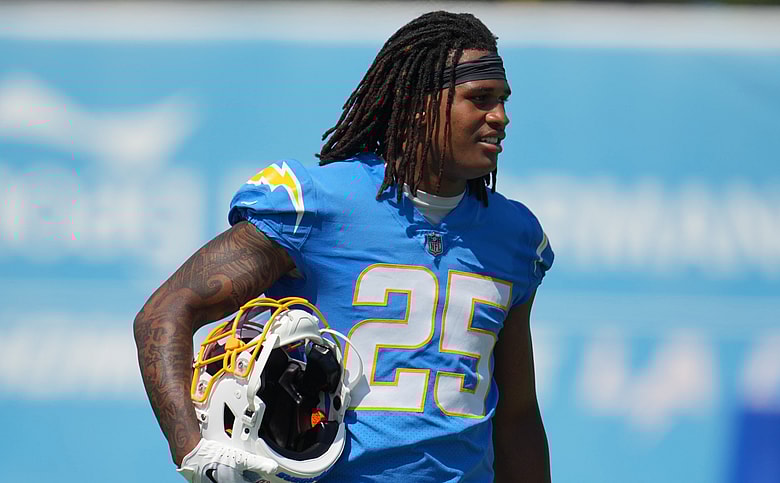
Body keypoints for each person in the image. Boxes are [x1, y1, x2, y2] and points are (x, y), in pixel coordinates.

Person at [134, 10, 553, 482]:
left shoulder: (515, 236)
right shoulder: (319, 204)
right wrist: (192, 450)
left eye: (501, 100)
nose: (499, 117)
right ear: (420, 104)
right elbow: (166, 312)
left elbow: (517, 414)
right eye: (480, 99)